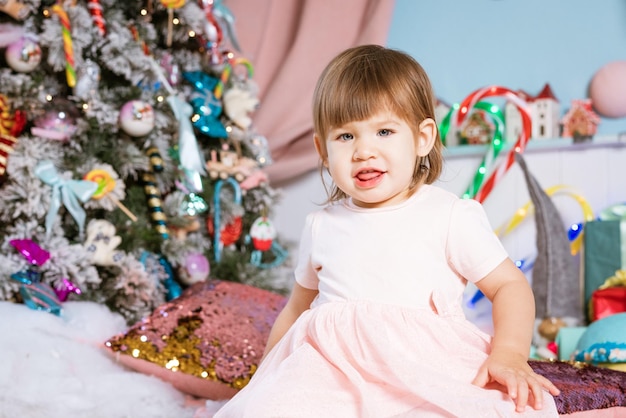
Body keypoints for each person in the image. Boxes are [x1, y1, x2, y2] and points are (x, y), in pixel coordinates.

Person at [214, 44, 560, 417]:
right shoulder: (322, 226)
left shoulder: (449, 215)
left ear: (423, 138)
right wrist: (265, 379)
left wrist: (509, 353)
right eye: (346, 137)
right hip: (331, 375)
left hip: (424, 368)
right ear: (323, 150)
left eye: (384, 131)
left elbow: (509, 286)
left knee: (510, 408)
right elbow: (297, 309)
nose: (364, 151)